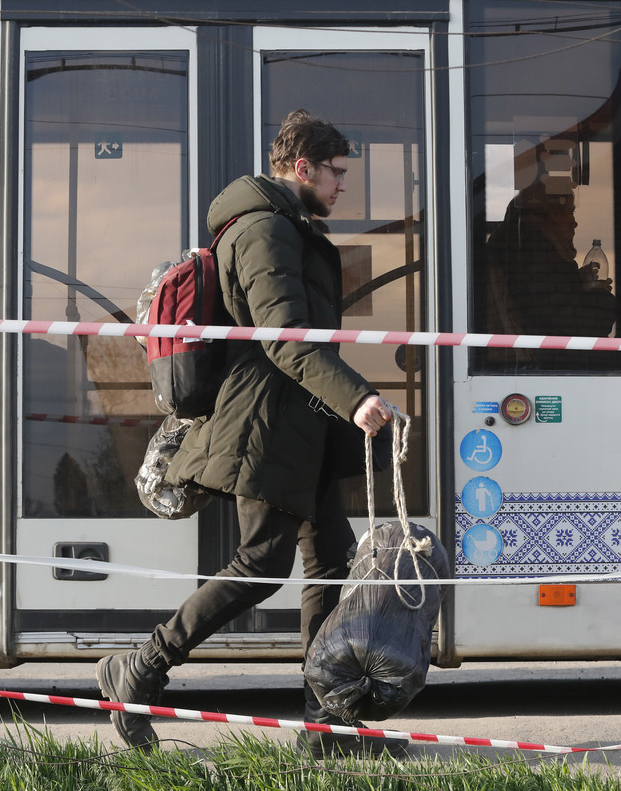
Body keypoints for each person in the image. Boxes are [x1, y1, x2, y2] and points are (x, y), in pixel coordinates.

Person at [97, 109, 400, 757]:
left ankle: (328, 728)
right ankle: (139, 668)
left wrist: (345, 403)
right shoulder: (265, 233)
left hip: (300, 423)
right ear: (302, 168)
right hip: (267, 423)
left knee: (329, 563)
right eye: (336, 173)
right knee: (263, 565)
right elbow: (285, 341)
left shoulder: (284, 229)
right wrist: (358, 399)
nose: (343, 186)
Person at [483, 178, 616, 338]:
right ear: (547, 217)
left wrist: (577, 283)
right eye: (569, 212)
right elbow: (575, 324)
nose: (574, 223)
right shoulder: (535, 256)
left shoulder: (525, 252)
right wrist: (600, 296)